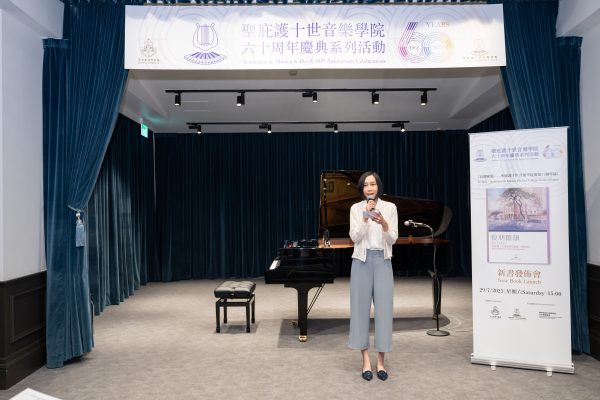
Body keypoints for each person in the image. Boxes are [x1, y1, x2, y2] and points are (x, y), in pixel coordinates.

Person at [348, 171, 398, 381]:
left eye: (373, 184)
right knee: (360, 311)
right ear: (362, 189)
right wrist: (365, 219)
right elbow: (354, 237)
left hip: (383, 262)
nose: (369, 188)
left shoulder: (390, 207)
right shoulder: (355, 208)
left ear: (378, 186)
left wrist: (384, 223)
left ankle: (381, 362)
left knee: (384, 312)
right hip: (361, 262)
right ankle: (366, 361)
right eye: (366, 185)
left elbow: (392, 238)